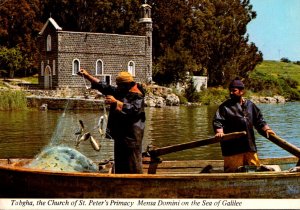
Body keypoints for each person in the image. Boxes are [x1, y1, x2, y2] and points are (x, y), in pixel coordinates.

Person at [77, 69, 146, 174]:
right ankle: (119, 181)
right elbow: (104, 86)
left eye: (120, 85)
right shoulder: (121, 91)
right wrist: (87, 76)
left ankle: (135, 183)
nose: (117, 87)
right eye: (117, 85)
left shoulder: (137, 96)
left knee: (132, 162)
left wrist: (116, 103)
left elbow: (134, 110)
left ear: (127, 85)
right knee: (120, 161)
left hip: (132, 136)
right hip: (120, 134)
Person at [213, 77, 276, 172]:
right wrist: (219, 132)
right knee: (233, 171)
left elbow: (259, 120)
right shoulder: (224, 107)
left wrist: (266, 129)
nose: (231, 93)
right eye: (230, 91)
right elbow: (218, 121)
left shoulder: (250, 105)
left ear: (242, 91)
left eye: (234, 90)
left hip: (249, 146)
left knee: (254, 169)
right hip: (232, 149)